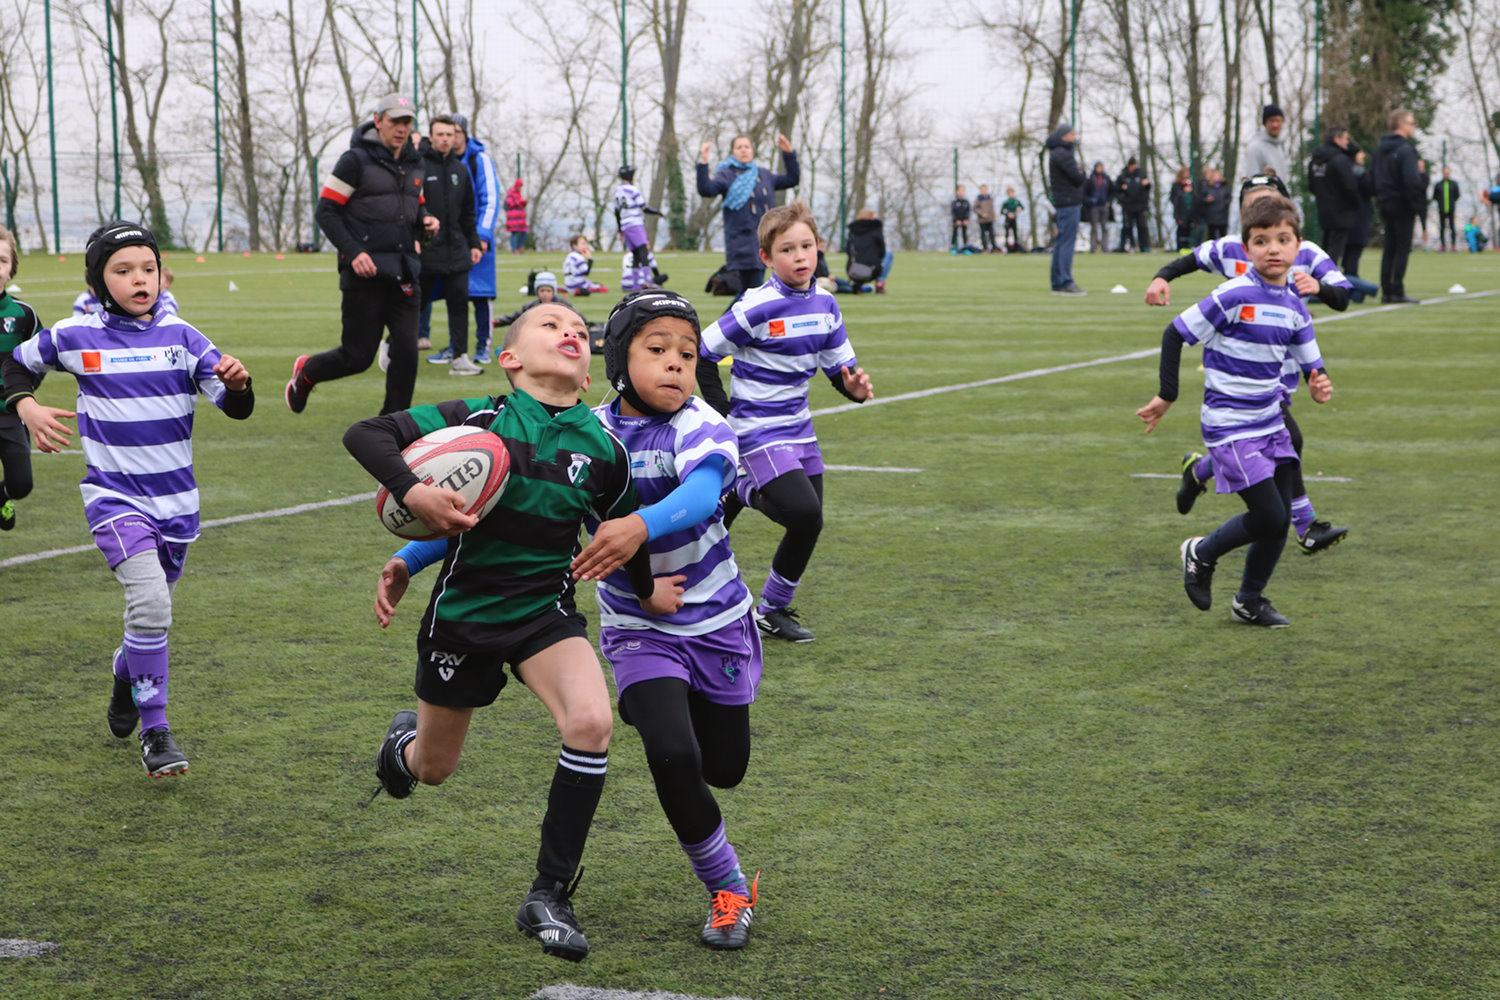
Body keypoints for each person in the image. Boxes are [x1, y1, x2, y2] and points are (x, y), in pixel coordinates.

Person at [347, 300, 660, 963]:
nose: (571, 333)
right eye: (552, 325)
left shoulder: (604, 450)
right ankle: (400, 753)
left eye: (580, 330)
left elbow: (622, 536)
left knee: (590, 724)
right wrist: (415, 494)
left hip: (545, 614)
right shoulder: (477, 419)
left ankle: (549, 894)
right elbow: (366, 433)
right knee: (433, 769)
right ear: (511, 358)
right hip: (464, 616)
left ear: (589, 366)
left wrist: (650, 591)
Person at [4, 221, 254, 774]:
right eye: (123, 270)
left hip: (177, 505)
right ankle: (156, 731)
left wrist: (238, 386)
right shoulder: (74, 335)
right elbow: (11, 365)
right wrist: (27, 406)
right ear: (98, 280)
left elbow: (236, 407)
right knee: (152, 607)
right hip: (114, 499)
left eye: (148, 268)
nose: (139, 279)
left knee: (148, 619)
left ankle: (126, 677)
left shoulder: (185, 337)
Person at [582, 290, 763, 949]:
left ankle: (667, 706)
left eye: (686, 354)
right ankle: (729, 888)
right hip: (638, 627)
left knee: (725, 767)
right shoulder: (588, 433)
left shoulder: (703, 424)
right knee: (672, 754)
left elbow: (697, 496)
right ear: (618, 357)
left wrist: (636, 526)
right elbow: (518, 501)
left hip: (717, 621)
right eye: (655, 350)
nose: (675, 365)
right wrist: (415, 551)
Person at [1136, 194, 1332, 628]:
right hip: (1229, 426)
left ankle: (1249, 600)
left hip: (1270, 422)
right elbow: (1175, 334)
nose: (1274, 249)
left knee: (1276, 523)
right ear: (1246, 251)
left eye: (1283, 239)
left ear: (1299, 247)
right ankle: (1200, 553)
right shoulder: (1232, 295)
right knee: (1270, 516)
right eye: (1262, 241)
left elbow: (1310, 363)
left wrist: (1318, 383)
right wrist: (1167, 395)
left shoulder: (1296, 306)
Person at [694, 201, 873, 643]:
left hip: (800, 430)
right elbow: (702, 352)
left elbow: (839, 369)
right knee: (804, 512)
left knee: (810, 522)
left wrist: (852, 388)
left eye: (807, 246)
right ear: (767, 258)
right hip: (757, 432)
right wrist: (723, 411)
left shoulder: (828, 304)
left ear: (819, 248)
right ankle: (741, 487)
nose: (800, 256)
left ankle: (771, 610)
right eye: (787, 249)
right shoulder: (756, 306)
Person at [289, 93, 427, 416]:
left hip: (405, 273)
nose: (402, 129)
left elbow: (415, 210)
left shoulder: (416, 162)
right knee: (358, 356)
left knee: (407, 352)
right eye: (395, 121)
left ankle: (392, 425)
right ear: (378, 121)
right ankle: (307, 372)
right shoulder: (354, 161)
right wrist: (354, 253)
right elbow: (326, 211)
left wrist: (425, 224)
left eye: (407, 122)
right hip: (364, 274)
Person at [417, 115, 484, 376]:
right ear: (431, 137)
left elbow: (468, 212)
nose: (446, 139)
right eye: (441, 134)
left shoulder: (460, 169)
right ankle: (392, 346)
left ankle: (459, 357)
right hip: (427, 250)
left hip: (456, 251)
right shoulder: (419, 166)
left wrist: (474, 243)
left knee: (459, 303)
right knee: (416, 305)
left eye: (450, 134)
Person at [696, 132, 799, 298]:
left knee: (748, 294)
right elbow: (706, 189)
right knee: (753, 292)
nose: (743, 150)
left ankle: (728, 323)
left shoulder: (764, 175)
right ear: (733, 152)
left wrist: (789, 154)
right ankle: (727, 323)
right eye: (739, 147)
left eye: (747, 147)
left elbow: (792, 179)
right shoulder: (726, 175)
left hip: (765, 239)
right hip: (742, 241)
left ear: (752, 150)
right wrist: (703, 162)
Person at [448, 115, 502, 364]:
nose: (452, 137)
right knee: (454, 294)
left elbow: (490, 199)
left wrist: (481, 235)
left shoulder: (480, 160)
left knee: (481, 295)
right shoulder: (443, 162)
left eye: (456, 132)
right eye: (448, 132)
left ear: (465, 133)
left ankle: (483, 346)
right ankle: (455, 347)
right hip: (450, 241)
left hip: (476, 239)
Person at [0, 225, 41, 531]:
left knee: (21, 485)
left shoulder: (24, 315)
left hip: (10, 415)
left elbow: (40, 357)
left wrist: (23, 394)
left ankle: (3, 495)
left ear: (11, 270)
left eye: (2, 261)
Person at [1373, 108, 1425, 304]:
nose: (1413, 127)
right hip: (1403, 204)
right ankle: (1397, 290)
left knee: (1389, 247)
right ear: (1402, 125)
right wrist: (1417, 203)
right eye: (1411, 123)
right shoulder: (1406, 149)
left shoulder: (1380, 148)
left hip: (1385, 201)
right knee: (1402, 248)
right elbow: (1411, 180)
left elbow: (1374, 176)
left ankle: (1387, 290)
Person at [1308, 126, 1362, 265]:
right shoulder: (1340, 160)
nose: (1347, 143)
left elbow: (1312, 185)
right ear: (1337, 139)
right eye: (1345, 139)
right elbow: (1350, 187)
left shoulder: (1315, 161)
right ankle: (1328, 281)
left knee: (1325, 248)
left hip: (1324, 211)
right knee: (1335, 251)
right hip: (1341, 213)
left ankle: (1320, 278)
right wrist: (1355, 204)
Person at [1045, 122, 1086, 294]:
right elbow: (1077, 178)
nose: (1074, 138)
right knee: (1067, 243)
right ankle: (1065, 281)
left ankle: (1057, 281)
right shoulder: (1064, 154)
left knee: (1061, 242)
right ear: (1064, 136)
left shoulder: (1055, 153)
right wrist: (1082, 172)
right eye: (1072, 135)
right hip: (1069, 202)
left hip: (1062, 202)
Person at [614, 164, 667, 290]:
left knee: (636, 254)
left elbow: (616, 211)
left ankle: (636, 283)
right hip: (635, 223)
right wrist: (657, 212)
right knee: (643, 251)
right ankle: (647, 281)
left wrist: (620, 229)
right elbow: (644, 207)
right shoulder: (633, 190)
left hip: (625, 225)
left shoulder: (617, 191)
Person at [1241, 104, 1290, 185]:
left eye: (1277, 120)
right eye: (1271, 121)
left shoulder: (1280, 147)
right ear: (1265, 123)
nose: (1275, 125)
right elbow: (1252, 181)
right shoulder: (1255, 148)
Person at [845, 208, 890, 293]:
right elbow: (882, 252)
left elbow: (847, 250)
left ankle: (857, 284)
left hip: (852, 269)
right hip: (873, 269)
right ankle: (880, 283)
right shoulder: (876, 230)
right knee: (888, 254)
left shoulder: (853, 231)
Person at [1115, 157, 1152, 252]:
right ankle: (1127, 246)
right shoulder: (1123, 176)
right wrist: (1123, 199)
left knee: (1142, 227)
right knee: (1127, 227)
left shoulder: (1141, 174)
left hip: (1140, 206)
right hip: (1128, 206)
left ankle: (1144, 246)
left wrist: (1146, 186)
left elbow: (1147, 188)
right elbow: (1117, 190)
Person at [1085, 162, 1112, 252]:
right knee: (1094, 227)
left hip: (1104, 205)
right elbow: (1085, 192)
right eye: (1099, 167)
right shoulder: (1091, 179)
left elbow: (1112, 191)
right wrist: (1090, 201)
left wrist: (1109, 201)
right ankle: (1093, 248)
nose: (1100, 169)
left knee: (1104, 226)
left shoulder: (1106, 179)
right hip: (1094, 206)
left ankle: (1105, 247)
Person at [1169, 166, 1196, 251]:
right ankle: (1180, 247)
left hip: (1190, 213)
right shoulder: (1176, 185)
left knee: (1189, 230)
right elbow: (1173, 198)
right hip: (1180, 212)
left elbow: (1195, 197)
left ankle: (1188, 247)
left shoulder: (1190, 183)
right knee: (1181, 229)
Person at [1432, 166, 1460, 251]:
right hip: (1441, 209)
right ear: (1442, 173)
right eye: (1445, 173)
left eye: (1447, 173)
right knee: (1442, 228)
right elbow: (1435, 196)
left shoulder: (1454, 184)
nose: (1446, 174)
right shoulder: (1438, 185)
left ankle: (1453, 245)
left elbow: (1457, 195)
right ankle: (1443, 245)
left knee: (1452, 227)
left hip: (1451, 209)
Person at [1199, 167, 1231, 240]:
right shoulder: (1207, 187)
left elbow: (1228, 198)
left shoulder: (1225, 187)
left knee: (1223, 234)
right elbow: (1202, 198)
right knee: (1211, 234)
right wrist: (1207, 200)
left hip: (1222, 214)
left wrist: (1224, 205)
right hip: (1211, 214)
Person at [505, 177, 529, 254]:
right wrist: (520, 202)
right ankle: (514, 249)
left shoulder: (519, 194)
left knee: (525, 233)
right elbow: (509, 204)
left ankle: (517, 247)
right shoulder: (511, 194)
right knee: (514, 234)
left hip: (520, 219)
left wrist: (524, 202)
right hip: (513, 218)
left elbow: (520, 205)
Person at [974, 184, 998, 252]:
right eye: (982, 189)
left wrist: (994, 214)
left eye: (985, 189)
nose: (984, 191)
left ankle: (994, 248)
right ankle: (985, 248)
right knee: (983, 235)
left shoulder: (990, 198)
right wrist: (981, 213)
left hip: (990, 219)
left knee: (992, 234)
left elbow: (992, 208)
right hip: (982, 220)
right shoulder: (978, 198)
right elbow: (975, 208)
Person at [1000, 188, 1024, 252]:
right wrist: (1008, 214)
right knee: (1007, 233)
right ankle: (1007, 248)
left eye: (1012, 193)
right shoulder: (1006, 202)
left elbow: (1022, 207)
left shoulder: (1016, 201)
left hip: (1014, 219)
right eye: (1010, 193)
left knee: (1015, 233)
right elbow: (1002, 211)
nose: (1011, 194)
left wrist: (1019, 209)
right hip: (1007, 220)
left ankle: (1016, 247)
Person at [949, 185, 971, 252]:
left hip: (964, 221)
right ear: (956, 192)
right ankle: (953, 247)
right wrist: (956, 220)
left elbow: (968, 211)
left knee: (964, 234)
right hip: (957, 221)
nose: (961, 192)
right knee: (955, 233)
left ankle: (965, 248)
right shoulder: (954, 202)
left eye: (962, 190)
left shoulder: (966, 201)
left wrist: (966, 219)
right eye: (960, 190)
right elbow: (953, 212)